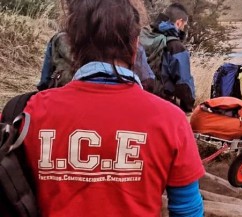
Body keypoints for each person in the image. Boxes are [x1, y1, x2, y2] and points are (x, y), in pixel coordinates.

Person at [20, 0, 205, 216]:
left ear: (71, 44)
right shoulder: (171, 120)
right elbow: (187, 209)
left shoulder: (28, 112)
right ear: (136, 46)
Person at [140, 3, 195, 113]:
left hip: (140, 98)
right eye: (184, 24)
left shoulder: (144, 36)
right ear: (179, 23)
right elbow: (184, 83)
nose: (184, 28)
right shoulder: (176, 46)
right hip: (163, 102)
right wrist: (188, 107)